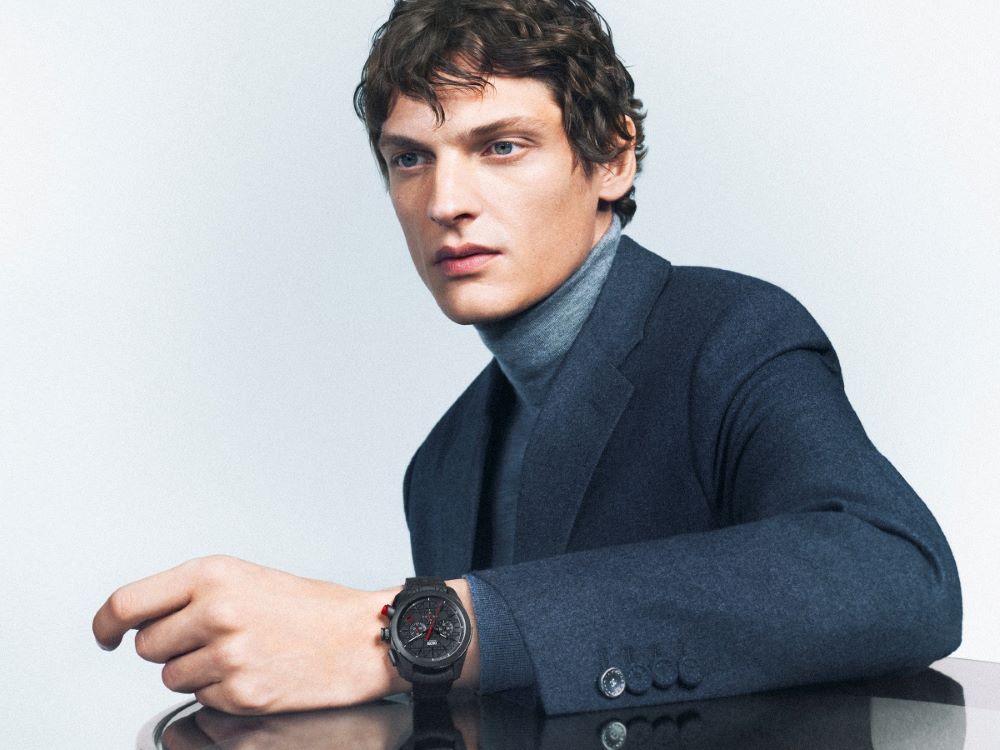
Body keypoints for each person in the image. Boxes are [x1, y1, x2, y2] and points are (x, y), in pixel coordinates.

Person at [93, 0, 962, 716]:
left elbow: (896, 574)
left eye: (500, 146)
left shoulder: (730, 335)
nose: (446, 201)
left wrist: (405, 632)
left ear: (612, 156)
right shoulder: (440, 467)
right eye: (410, 159)